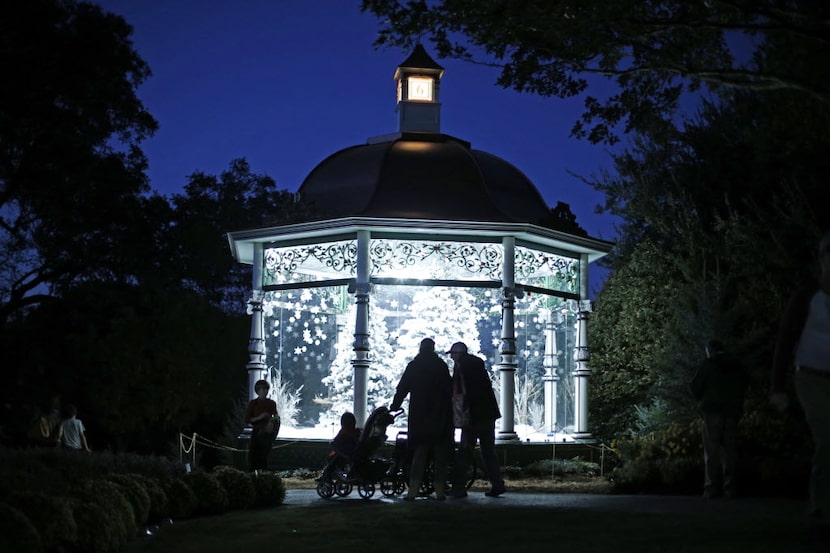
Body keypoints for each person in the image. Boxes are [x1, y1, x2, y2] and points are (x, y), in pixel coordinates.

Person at [770, 230, 830, 518]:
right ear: (821, 258)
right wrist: (777, 387)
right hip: (811, 377)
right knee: (827, 437)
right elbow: (785, 340)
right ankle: (820, 505)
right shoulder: (808, 294)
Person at [389, 337, 453, 500]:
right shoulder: (441, 366)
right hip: (440, 417)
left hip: (420, 417)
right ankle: (439, 490)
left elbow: (402, 388)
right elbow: (449, 389)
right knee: (440, 457)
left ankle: (413, 489)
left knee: (420, 454)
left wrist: (394, 407)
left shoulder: (414, 366)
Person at [689, 339, 749, 499]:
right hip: (732, 412)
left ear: (710, 350)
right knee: (729, 450)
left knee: (711, 450)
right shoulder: (737, 365)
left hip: (712, 410)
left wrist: (703, 400)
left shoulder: (709, 363)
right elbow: (744, 384)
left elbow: (695, 386)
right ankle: (730, 488)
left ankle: (711, 488)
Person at [446, 341, 506, 498]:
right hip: (487, 414)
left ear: (459, 354)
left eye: (452, 354)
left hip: (472, 416)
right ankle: (497, 484)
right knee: (488, 452)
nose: (451, 357)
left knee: (464, 452)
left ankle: (458, 487)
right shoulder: (477, 366)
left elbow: (458, 391)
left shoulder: (462, 368)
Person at [244, 379, 279, 472]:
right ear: (257, 391)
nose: (264, 391)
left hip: (267, 434)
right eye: (261, 389)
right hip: (256, 432)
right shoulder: (253, 403)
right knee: (254, 457)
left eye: (266, 389)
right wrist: (260, 417)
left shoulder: (271, 403)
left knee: (264, 457)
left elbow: (277, 417)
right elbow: (247, 419)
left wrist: (271, 422)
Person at [319, 411, 362, 480]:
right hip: (353, 453)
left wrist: (333, 445)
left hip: (345, 454)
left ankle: (326, 475)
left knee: (333, 459)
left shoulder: (344, 432)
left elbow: (336, 441)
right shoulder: (357, 432)